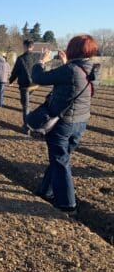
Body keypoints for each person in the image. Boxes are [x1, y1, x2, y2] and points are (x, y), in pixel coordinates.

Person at [32, 35, 100, 214]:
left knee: (60, 161)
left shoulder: (70, 69)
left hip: (63, 123)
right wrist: (65, 63)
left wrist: (41, 61)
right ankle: (45, 191)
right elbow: (74, 83)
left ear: (73, 49)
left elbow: (39, 77)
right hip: (81, 121)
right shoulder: (93, 68)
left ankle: (67, 205)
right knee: (60, 158)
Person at [10, 39, 36, 132]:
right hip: (34, 85)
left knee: (25, 106)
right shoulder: (36, 58)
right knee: (27, 104)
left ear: (25, 46)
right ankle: (29, 122)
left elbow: (15, 72)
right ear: (32, 47)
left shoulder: (21, 58)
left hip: (24, 85)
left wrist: (11, 81)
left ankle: (27, 126)